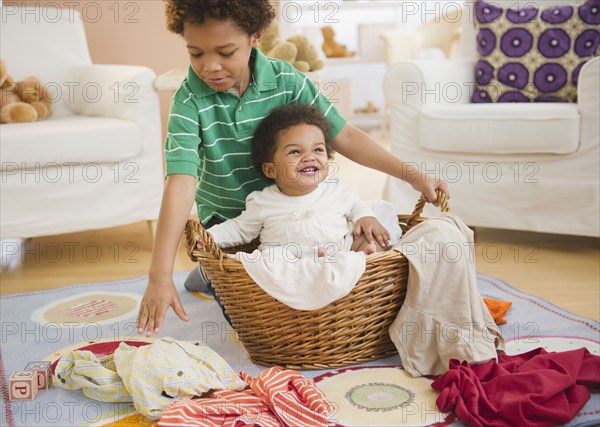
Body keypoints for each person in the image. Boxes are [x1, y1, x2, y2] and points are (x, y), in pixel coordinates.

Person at [136, 0, 448, 337]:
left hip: (292, 219)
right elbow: (180, 181)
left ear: (255, 36)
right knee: (259, 319)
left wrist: (413, 175)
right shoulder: (189, 100)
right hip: (229, 224)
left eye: (225, 52)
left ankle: (208, 275)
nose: (210, 66)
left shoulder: (287, 81)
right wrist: (159, 275)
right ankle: (209, 273)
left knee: (322, 273)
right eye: (196, 53)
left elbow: (343, 134)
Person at [196, 103, 402, 258]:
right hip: (289, 270)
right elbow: (238, 229)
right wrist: (207, 237)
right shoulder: (263, 202)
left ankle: (364, 274)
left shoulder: (334, 190)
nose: (310, 157)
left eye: (318, 149)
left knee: (373, 238)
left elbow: (356, 204)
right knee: (261, 263)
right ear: (270, 169)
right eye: (295, 151)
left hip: (339, 258)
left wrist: (364, 217)